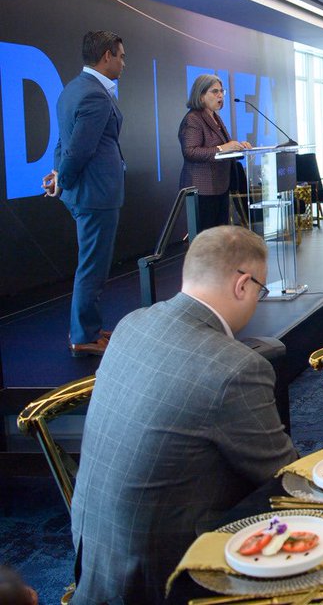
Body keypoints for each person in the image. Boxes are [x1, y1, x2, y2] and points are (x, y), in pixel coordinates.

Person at [71, 226, 297, 602]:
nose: (257, 299)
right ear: (243, 285)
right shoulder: (235, 368)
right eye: (260, 290)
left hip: (94, 558)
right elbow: (282, 477)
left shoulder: (132, 324)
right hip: (164, 578)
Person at [42, 31, 127, 358]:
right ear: (107, 55)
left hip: (86, 192)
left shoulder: (71, 90)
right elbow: (78, 149)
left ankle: (89, 327)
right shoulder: (94, 95)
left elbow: (63, 144)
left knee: (92, 263)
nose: (123, 63)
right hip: (95, 194)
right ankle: (83, 335)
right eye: (120, 56)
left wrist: (57, 176)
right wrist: (63, 177)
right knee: (93, 266)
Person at [177, 74, 251, 235]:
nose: (220, 95)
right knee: (207, 239)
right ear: (201, 95)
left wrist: (239, 148)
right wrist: (223, 148)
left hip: (220, 186)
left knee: (219, 238)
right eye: (214, 91)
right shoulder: (193, 119)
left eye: (221, 91)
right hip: (202, 188)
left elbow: (224, 148)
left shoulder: (214, 117)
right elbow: (190, 151)